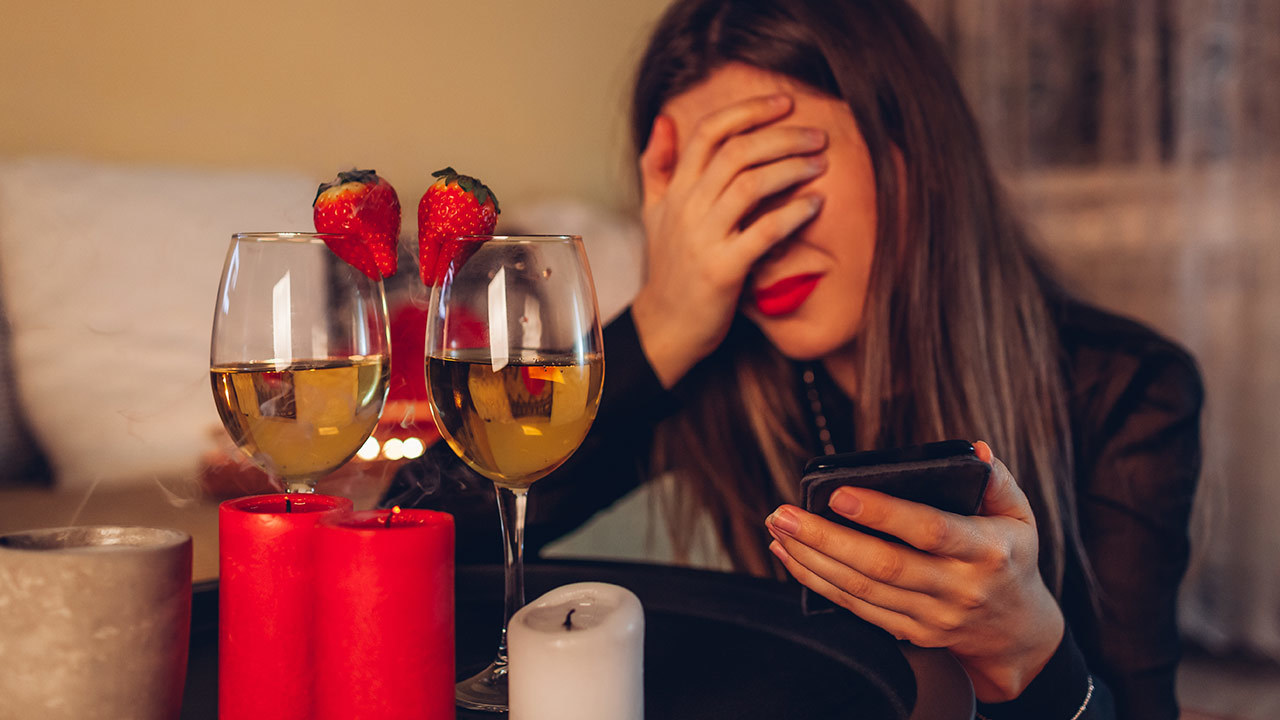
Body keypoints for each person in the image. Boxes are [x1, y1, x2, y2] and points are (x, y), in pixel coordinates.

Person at [385, 1, 1203, 717]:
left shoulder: (1130, 389)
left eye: (775, 176)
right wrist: (664, 323)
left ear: (913, 146)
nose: (760, 241)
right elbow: (412, 541)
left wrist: (1026, 651)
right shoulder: (716, 368)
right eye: (720, 201)